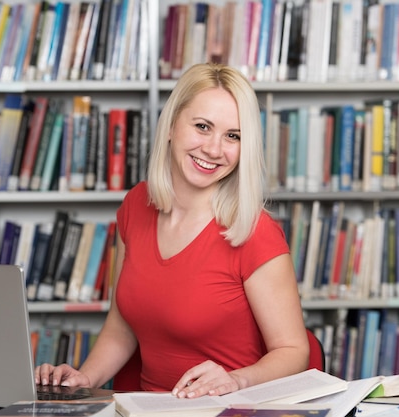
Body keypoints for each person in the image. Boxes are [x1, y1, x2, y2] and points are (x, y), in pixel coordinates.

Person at [35, 63, 309, 399]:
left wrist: (237, 380)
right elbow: (122, 326)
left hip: (228, 407)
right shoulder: (137, 204)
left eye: (233, 136)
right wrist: (84, 379)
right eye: (203, 126)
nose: (213, 149)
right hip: (149, 409)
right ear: (171, 125)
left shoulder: (254, 232)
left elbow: (295, 351)